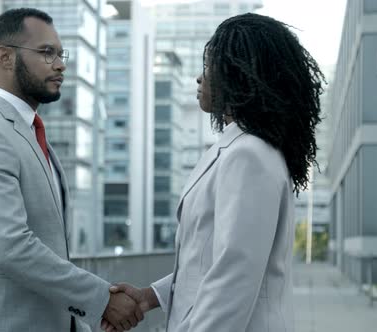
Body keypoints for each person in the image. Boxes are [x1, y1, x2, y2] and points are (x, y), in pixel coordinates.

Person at [105, 13, 324, 332]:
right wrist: (149, 297)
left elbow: (232, 280)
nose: (199, 77)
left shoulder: (249, 155)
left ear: (238, 74)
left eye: (208, 66)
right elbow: (208, 263)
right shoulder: (240, 149)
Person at [0, 8, 143, 332]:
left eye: (62, 54)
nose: (61, 64)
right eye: (47, 53)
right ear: (6, 57)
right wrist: (101, 299)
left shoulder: (31, 133)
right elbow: (10, 247)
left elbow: (51, 249)